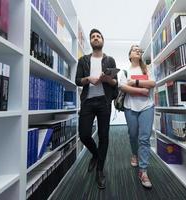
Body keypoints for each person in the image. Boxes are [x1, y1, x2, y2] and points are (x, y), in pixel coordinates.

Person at [75, 28, 118, 189]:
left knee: (103, 136)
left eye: (98, 36)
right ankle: (95, 154)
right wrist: (88, 79)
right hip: (87, 101)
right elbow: (77, 80)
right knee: (84, 134)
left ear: (102, 40)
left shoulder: (110, 60)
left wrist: (107, 79)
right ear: (91, 41)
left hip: (104, 102)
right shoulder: (83, 60)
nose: (95, 38)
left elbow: (116, 83)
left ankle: (100, 170)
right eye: (92, 36)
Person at [119, 45, 156, 188]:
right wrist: (142, 90)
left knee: (144, 138)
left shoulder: (147, 69)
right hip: (130, 107)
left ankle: (143, 171)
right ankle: (134, 153)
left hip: (147, 107)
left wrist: (134, 82)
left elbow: (152, 83)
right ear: (130, 55)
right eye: (134, 49)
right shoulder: (125, 71)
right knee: (133, 135)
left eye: (139, 50)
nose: (138, 51)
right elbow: (122, 87)